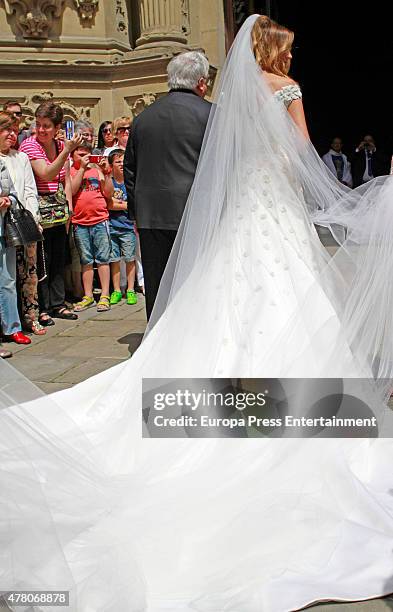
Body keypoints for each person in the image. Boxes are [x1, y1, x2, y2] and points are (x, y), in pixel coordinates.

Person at [2, 14, 393, 612]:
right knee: (292, 296)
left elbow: (227, 161)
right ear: (277, 50)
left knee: (226, 295)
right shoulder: (285, 88)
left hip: (242, 213)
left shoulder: (232, 94)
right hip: (276, 208)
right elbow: (300, 153)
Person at [124, 51, 212, 319]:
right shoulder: (212, 114)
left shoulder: (143, 118)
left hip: (151, 216)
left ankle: (157, 337)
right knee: (196, 282)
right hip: (195, 213)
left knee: (157, 282)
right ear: (200, 82)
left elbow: (130, 169)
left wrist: (136, 213)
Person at [19, 102, 82, 326]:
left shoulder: (58, 144)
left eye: (46, 125)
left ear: (57, 127)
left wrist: (69, 206)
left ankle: (58, 303)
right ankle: (43, 307)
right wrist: (66, 151)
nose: (41, 130)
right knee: (41, 261)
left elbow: (64, 176)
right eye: (38, 125)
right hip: (39, 211)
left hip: (58, 209)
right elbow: (46, 174)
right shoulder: (30, 145)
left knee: (58, 258)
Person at [0, 111, 45, 335]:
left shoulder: (21, 158)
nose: (12, 134)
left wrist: (33, 217)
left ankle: (27, 318)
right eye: (7, 130)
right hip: (2, 222)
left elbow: (29, 190)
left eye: (14, 130)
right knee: (7, 275)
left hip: (20, 221)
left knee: (28, 273)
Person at [70, 142, 114, 313]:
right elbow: (72, 191)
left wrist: (106, 172)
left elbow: (108, 193)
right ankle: (88, 295)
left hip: (100, 219)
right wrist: (81, 169)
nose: (84, 158)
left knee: (103, 259)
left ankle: (104, 294)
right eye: (79, 155)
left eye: (86, 155)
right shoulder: (72, 171)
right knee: (86, 260)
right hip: (80, 222)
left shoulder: (97, 171)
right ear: (72, 155)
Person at [107, 148, 138, 306]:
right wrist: (125, 205)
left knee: (130, 259)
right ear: (111, 165)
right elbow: (109, 204)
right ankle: (117, 290)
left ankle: (131, 289)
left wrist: (119, 204)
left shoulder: (130, 182)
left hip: (127, 227)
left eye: (122, 161)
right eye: (117, 161)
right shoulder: (110, 182)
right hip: (112, 226)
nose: (120, 164)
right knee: (114, 260)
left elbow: (134, 204)